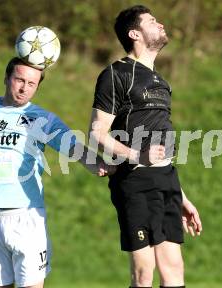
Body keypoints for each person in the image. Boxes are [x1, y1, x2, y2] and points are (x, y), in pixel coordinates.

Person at [0, 57, 112, 288]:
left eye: (31, 84)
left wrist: (100, 164)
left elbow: (73, 147)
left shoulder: (43, 119)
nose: (24, 88)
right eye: (19, 80)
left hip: (26, 218)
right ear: (7, 78)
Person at [89, 5, 202, 288]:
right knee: (144, 273)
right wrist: (137, 154)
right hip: (135, 180)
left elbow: (162, 145)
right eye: (152, 21)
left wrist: (182, 195)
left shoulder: (161, 82)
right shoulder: (116, 74)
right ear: (134, 33)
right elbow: (97, 133)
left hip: (167, 181)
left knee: (174, 269)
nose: (161, 24)